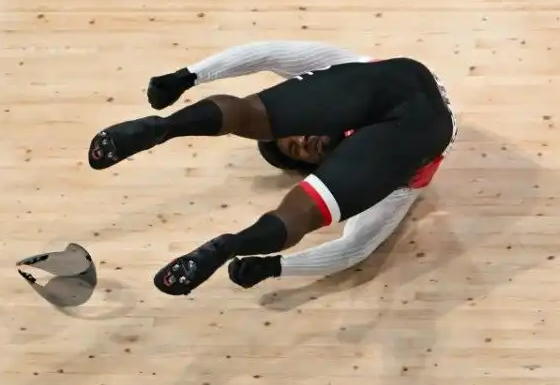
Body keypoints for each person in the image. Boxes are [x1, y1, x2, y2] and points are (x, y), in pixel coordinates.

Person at [86, 40, 453, 296]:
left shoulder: (345, 63)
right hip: (418, 129)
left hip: (393, 85)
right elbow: (355, 246)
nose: (304, 142)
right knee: (304, 211)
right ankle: (223, 247)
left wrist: (189, 75)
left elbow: (269, 54)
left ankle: (160, 127)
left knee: (252, 115)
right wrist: (276, 267)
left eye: (295, 135)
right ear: (316, 166)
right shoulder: (393, 189)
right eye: (299, 151)